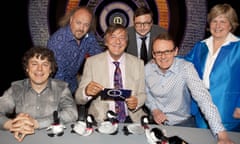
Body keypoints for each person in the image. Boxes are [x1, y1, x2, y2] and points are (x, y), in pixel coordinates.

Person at [145, 33, 234, 143]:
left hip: (183, 123)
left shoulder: (186, 68)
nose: (163, 57)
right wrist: (154, 109)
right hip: (155, 124)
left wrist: (221, 134)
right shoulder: (147, 69)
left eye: (167, 51)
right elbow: (147, 93)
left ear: (175, 51)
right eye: (158, 52)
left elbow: (203, 98)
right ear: (153, 54)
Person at [0, 47, 78, 142]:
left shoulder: (61, 88)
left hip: (54, 139)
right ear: (27, 68)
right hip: (22, 138)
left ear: (50, 70)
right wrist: (12, 124)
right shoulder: (16, 88)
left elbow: (72, 113)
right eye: (34, 64)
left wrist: (36, 123)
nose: (39, 69)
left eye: (45, 64)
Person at [75, 24, 146, 123]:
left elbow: (143, 94)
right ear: (106, 42)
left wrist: (137, 101)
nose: (118, 42)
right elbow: (78, 98)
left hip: (131, 119)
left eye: (122, 38)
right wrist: (86, 92)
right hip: (101, 119)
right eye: (113, 37)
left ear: (126, 42)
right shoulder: (92, 62)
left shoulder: (138, 63)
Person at [185, 3, 240, 132]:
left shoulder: (238, 47)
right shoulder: (201, 46)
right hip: (201, 109)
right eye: (214, 21)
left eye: (223, 21)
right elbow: (184, 62)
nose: (217, 26)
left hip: (227, 109)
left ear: (231, 24)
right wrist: (163, 55)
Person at [47, 6, 103, 94]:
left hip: (74, 84)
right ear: (71, 20)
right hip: (57, 89)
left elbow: (100, 57)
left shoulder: (89, 36)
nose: (81, 28)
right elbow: (58, 78)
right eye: (78, 23)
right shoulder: (58, 42)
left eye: (86, 24)